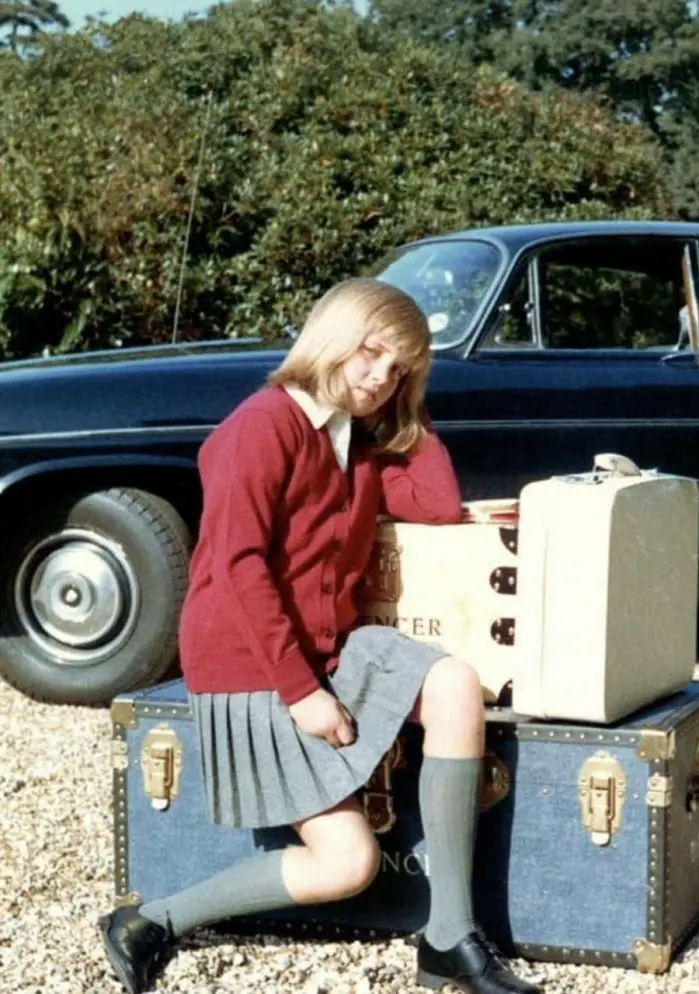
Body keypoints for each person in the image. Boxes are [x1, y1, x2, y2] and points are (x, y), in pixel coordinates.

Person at [98, 278, 541, 994]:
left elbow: (436, 506)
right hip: (255, 668)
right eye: (370, 354)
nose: (378, 378)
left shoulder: (357, 447)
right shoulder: (260, 426)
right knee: (348, 865)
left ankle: (450, 936)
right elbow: (237, 566)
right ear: (332, 336)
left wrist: (410, 412)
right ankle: (151, 920)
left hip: (331, 651)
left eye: (398, 370)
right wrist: (302, 693)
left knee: (456, 683)